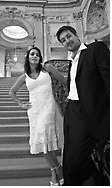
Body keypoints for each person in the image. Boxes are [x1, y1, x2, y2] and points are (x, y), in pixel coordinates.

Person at [56, 25, 110, 186]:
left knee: (78, 156)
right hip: (71, 110)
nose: (67, 41)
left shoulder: (95, 49)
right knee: (69, 152)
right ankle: (70, 182)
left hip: (87, 110)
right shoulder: (72, 61)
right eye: (63, 40)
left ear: (76, 35)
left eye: (68, 36)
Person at [9, 47, 67, 186]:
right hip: (34, 111)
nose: (35, 56)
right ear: (28, 58)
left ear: (40, 57)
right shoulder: (24, 76)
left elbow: (64, 81)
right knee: (42, 143)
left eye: (37, 54)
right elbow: (12, 92)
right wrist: (21, 105)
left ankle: (58, 170)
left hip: (49, 107)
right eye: (32, 54)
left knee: (45, 138)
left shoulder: (47, 68)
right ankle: (55, 170)